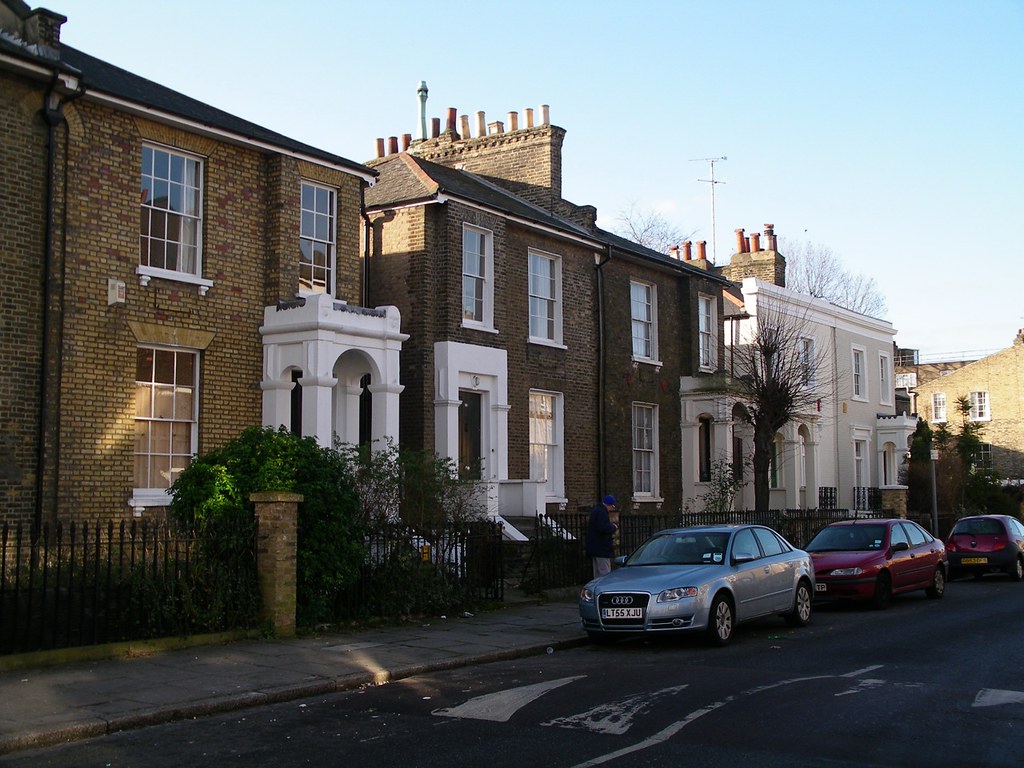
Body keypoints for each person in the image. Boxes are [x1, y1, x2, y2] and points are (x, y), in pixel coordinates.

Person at [586, 495, 620, 579]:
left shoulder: (596, 510)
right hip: (602, 548)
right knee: (605, 574)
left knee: (597, 574)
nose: (611, 509)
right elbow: (603, 528)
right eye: (612, 506)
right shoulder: (602, 512)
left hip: (594, 548)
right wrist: (613, 527)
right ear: (609, 505)